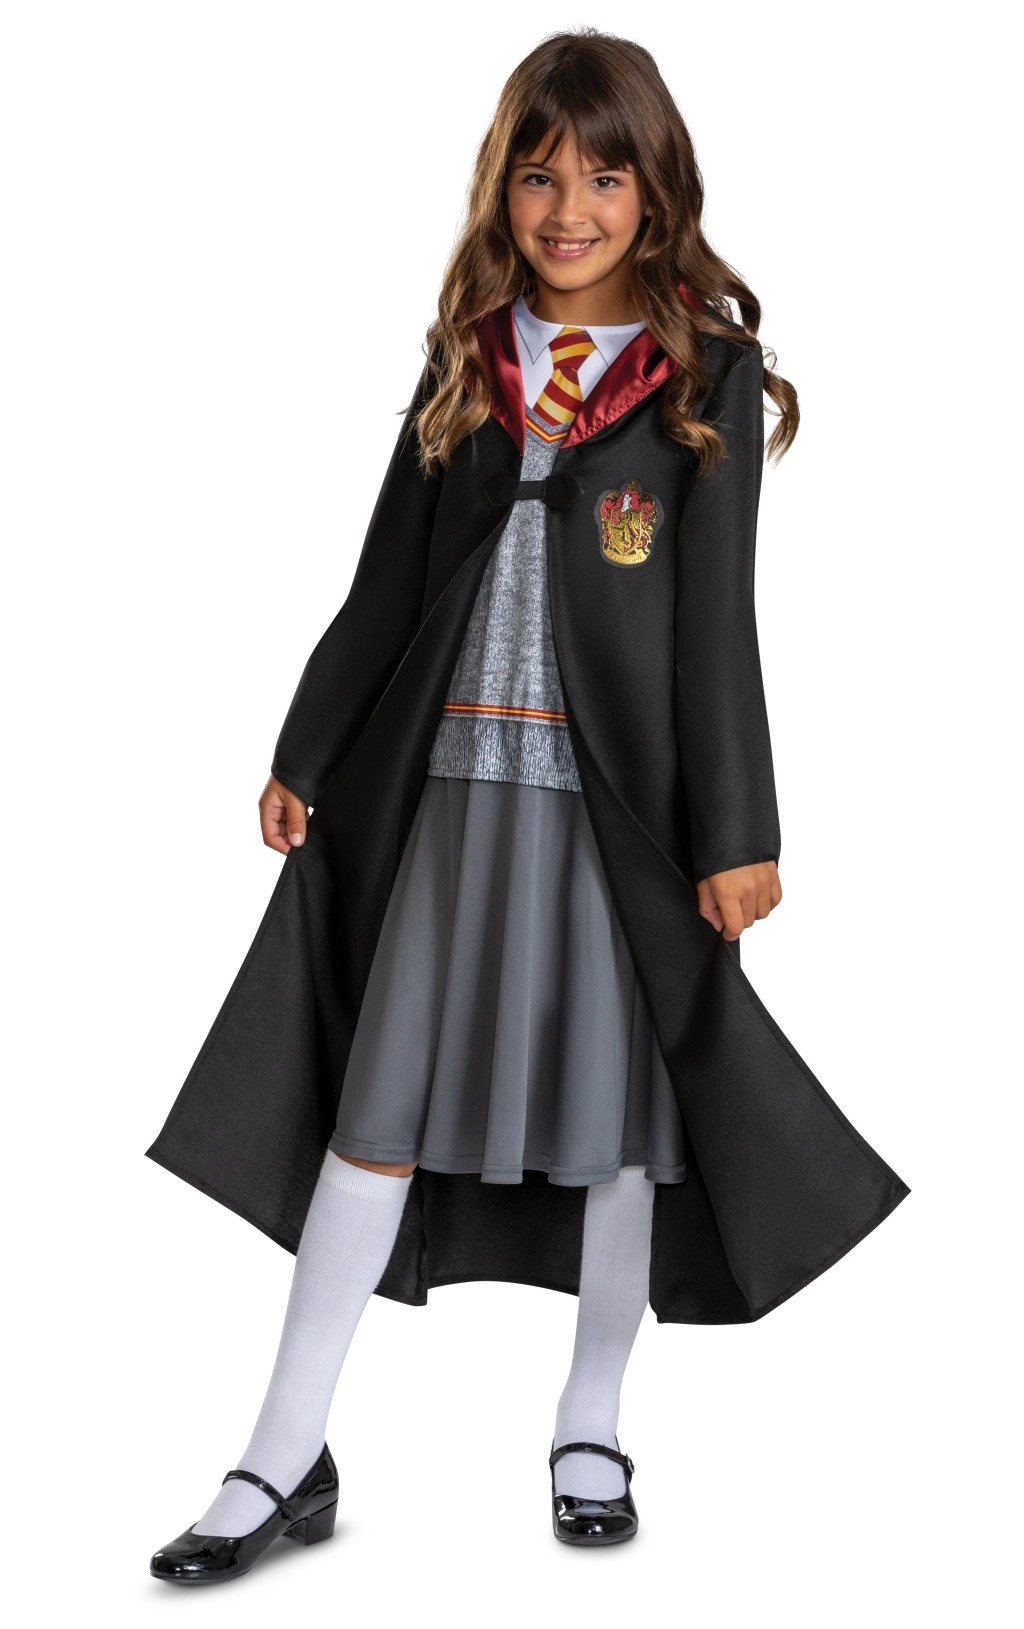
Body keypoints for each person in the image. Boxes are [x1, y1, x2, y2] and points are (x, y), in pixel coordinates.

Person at [148, 27, 909, 1583]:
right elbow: (384, 583)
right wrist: (307, 745)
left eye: (605, 179)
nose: (570, 210)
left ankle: (593, 1422)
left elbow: (717, 623)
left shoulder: (704, 372)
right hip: (445, 792)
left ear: (657, 191)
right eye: (540, 177)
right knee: (372, 1118)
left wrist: (739, 831)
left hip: (617, 816)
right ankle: (282, 1453)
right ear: (502, 189)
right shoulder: (469, 356)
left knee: (622, 1127)